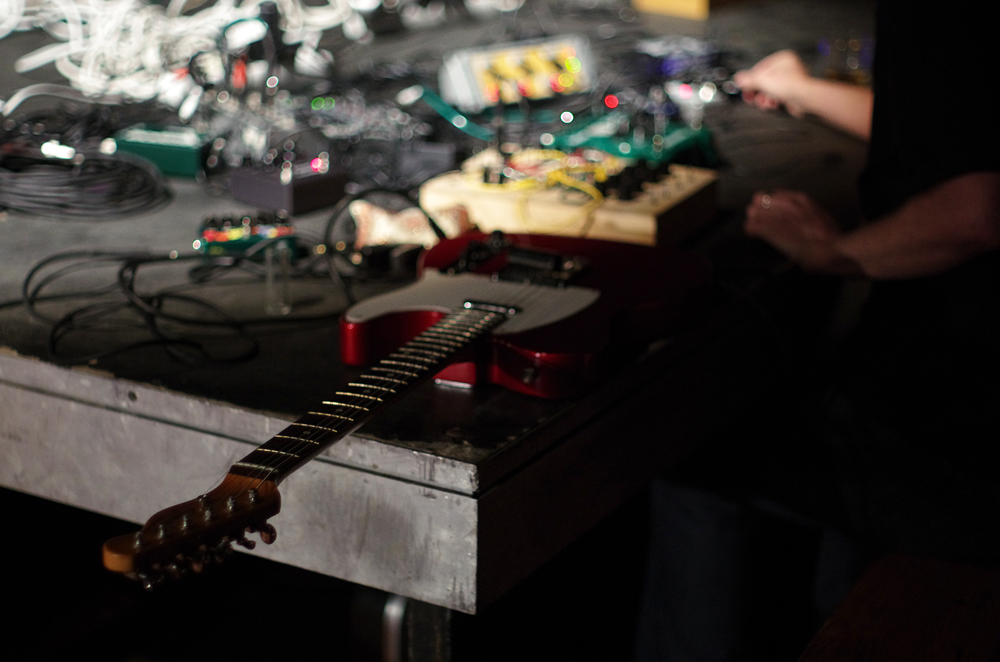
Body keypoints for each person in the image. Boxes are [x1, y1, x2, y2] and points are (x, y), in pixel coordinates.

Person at [636, 3, 1000, 660]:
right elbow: (955, 132)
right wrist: (803, 89)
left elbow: (975, 212)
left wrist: (835, 253)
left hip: (953, 430)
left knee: (697, 455)